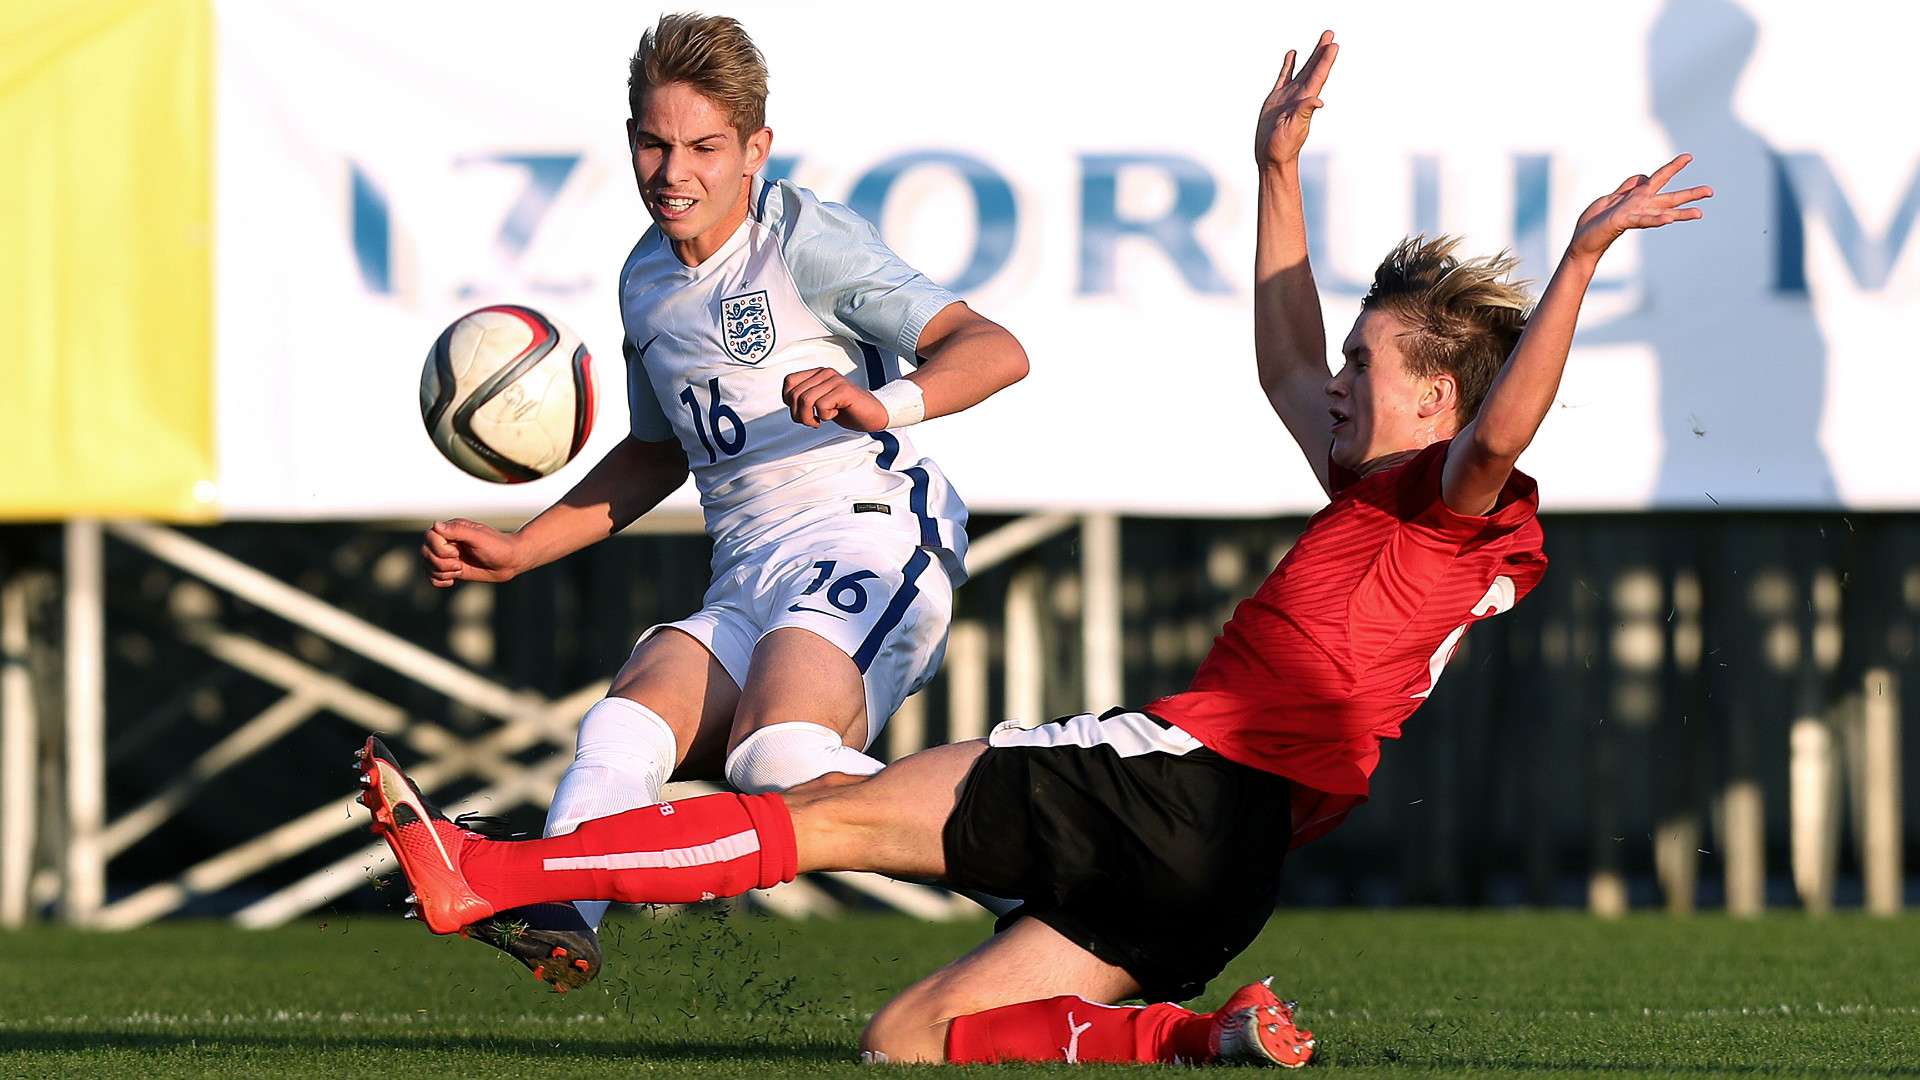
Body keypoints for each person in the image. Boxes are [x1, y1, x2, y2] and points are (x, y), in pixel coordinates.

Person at [362, 29, 1711, 1064]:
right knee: (910, 1037)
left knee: (812, 811)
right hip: (1230, 878)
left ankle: (508, 872)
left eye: (1371, 369)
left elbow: (1491, 433)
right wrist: (1275, 171)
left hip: (1168, 781)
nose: (1340, 384)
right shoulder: (1384, 499)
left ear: (1438, 402)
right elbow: (1286, 358)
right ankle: (1204, 1038)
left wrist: (1581, 261)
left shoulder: (1451, 490)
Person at [413, 12, 1030, 990]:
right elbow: (657, 454)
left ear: (756, 149)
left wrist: (882, 401)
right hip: (750, 567)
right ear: (629, 142)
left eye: (703, 147)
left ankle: (1058, 884)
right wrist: (523, 548)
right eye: (654, 144)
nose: (674, 172)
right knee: (625, 720)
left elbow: (995, 348)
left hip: (870, 532)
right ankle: (560, 915)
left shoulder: (802, 241)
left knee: (778, 749)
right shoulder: (647, 280)